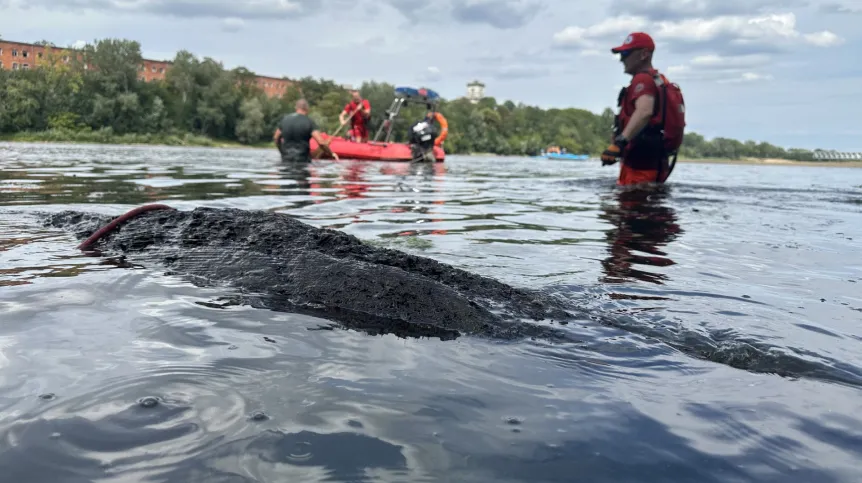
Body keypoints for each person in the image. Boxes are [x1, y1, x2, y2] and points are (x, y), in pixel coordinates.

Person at [601, 32, 685, 186]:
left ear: (644, 54)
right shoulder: (658, 79)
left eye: (626, 54)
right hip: (655, 160)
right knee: (649, 205)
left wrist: (619, 143)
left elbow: (645, 111)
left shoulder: (643, 79)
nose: (621, 59)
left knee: (632, 206)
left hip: (640, 162)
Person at [273, 99, 330, 163]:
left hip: (286, 159)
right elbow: (321, 142)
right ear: (307, 109)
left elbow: (276, 138)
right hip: (302, 159)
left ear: (296, 108)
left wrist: (282, 151)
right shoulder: (309, 122)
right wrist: (331, 153)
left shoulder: (284, 120)